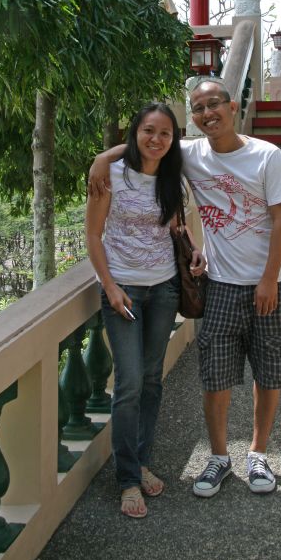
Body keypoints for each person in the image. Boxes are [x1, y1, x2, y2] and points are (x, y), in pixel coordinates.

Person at [88, 79, 281, 499]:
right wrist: (101, 158)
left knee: (269, 371)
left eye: (214, 104)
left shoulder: (266, 155)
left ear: (233, 106)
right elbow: (147, 144)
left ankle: (257, 453)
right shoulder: (191, 153)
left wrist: (270, 278)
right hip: (218, 283)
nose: (207, 113)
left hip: (269, 282)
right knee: (214, 376)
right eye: (198, 107)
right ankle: (219, 456)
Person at [85, 102, 205, 519]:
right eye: (148, 131)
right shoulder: (110, 174)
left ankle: (140, 461)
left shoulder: (173, 177)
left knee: (153, 380)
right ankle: (127, 481)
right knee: (130, 383)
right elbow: (94, 235)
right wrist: (110, 285)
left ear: (173, 140)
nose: (156, 139)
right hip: (125, 289)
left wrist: (192, 252)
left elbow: (176, 227)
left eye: (165, 134)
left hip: (165, 288)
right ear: (134, 132)